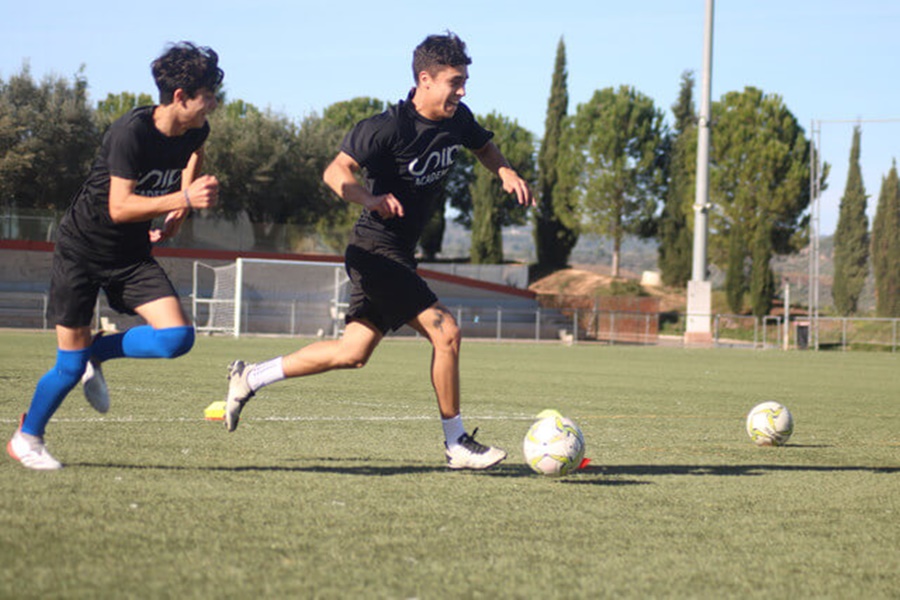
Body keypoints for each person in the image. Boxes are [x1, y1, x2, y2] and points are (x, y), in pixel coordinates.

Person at [223, 32, 534, 470]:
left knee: (353, 352)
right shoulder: (386, 128)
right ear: (424, 79)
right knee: (446, 332)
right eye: (454, 81)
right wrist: (367, 198)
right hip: (374, 250)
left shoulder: (457, 118)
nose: (462, 90)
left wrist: (504, 171)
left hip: (398, 255)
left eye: (464, 81)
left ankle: (249, 378)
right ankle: (456, 444)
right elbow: (335, 171)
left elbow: (483, 146)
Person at [7, 42, 224, 470]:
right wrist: (182, 196)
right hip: (82, 252)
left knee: (176, 338)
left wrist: (178, 211)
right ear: (180, 96)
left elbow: (192, 160)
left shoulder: (197, 130)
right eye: (207, 96)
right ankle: (26, 437)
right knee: (67, 369)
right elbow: (119, 207)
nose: (213, 104)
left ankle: (97, 353)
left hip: (130, 254)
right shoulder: (131, 133)